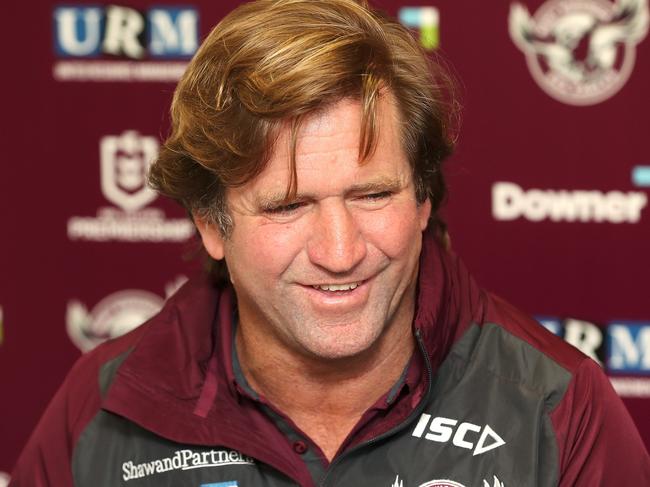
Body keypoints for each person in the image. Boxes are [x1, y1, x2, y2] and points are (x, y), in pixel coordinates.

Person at [11, 0, 650, 485]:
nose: (340, 253)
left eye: (372, 195)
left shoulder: (557, 408)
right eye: (288, 206)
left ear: (423, 199)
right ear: (210, 222)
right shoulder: (103, 405)